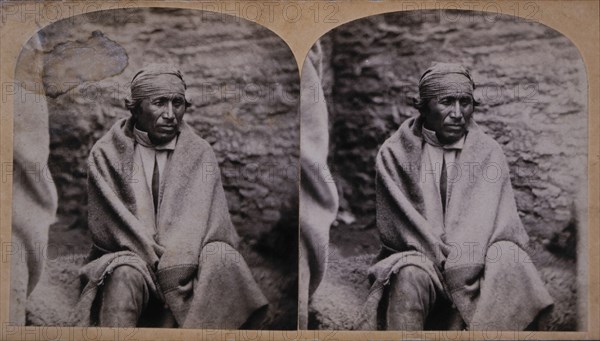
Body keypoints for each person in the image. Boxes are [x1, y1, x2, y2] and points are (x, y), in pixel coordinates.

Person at [356, 63, 553, 330]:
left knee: (510, 260)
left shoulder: (487, 153)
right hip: (420, 254)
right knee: (409, 274)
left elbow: (498, 226)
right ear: (423, 107)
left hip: (475, 259)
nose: (458, 113)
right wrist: (440, 259)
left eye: (465, 102)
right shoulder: (395, 155)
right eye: (446, 102)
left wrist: (464, 262)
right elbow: (399, 230)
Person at [72, 64, 268, 329]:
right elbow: (110, 228)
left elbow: (209, 225)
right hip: (130, 254)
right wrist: (152, 261)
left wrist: (175, 265)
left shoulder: (199, 153)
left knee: (224, 260)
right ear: (135, 107)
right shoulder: (107, 154)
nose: (170, 114)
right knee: (122, 275)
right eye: (159, 103)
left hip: (187, 259)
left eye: (178, 103)